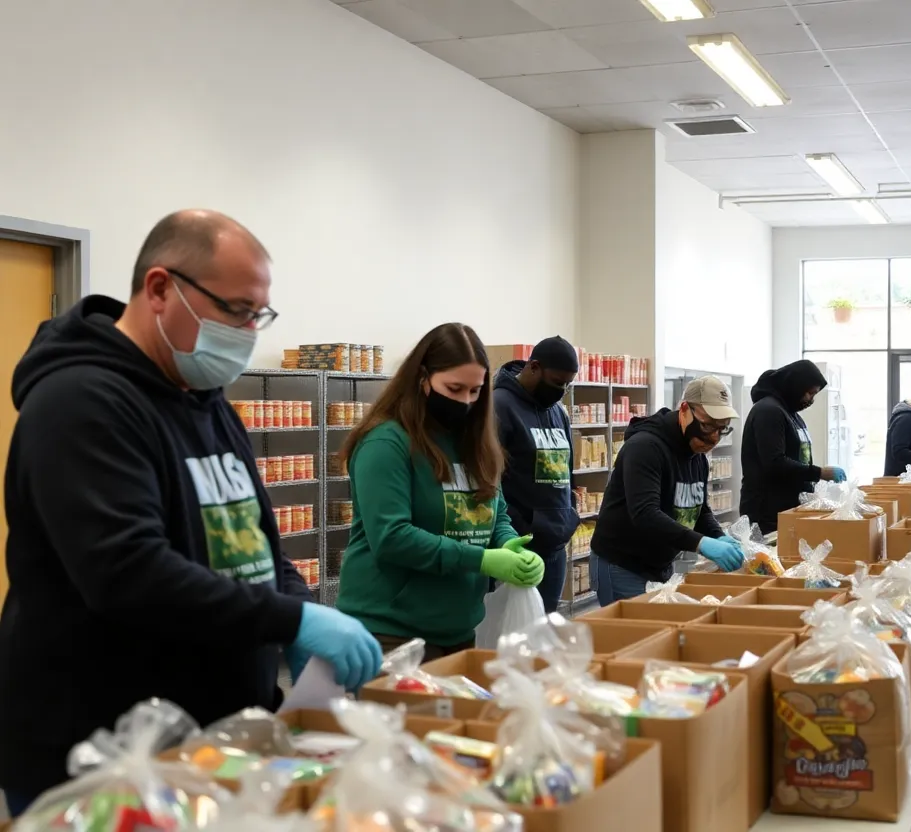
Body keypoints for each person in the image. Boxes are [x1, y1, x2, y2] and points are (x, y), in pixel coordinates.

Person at [0, 210, 382, 815]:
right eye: (236, 309)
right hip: (101, 754)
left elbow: (257, 537)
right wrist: (287, 619)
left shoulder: (203, 399)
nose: (248, 329)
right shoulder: (79, 402)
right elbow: (128, 572)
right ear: (159, 289)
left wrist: (298, 605)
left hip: (209, 741)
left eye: (259, 313)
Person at [336, 323, 543, 660]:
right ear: (422, 379)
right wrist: (484, 560)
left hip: (459, 628)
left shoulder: (475, 442)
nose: (465, 401)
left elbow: (496, 511)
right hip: (392, 632)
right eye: (454, 388)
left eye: (475, 391)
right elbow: (392, 537)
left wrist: (508, 545)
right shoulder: (386, 443)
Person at [590, 376, 746, 604]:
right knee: (634, 637)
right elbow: (645, 513)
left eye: (721, 429)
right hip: (622, 564)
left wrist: (718, 536)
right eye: (706, 425)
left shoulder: (697, 456)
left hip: (659, 566)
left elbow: (698, 509)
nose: (713, 437)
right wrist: (701, 543)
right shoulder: (645, 448)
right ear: (684, 410)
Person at [493, 337, 581, 613]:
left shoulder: (559, 413)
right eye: (557, 382)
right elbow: (489, 479)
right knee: (514, 635)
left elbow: (566, 471)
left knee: (544, 631)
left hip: (556, 547)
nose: (562, 390)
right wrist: (521, 526)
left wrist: (570, 514)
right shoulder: (499, 406)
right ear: (534, 367)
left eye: (568, 385)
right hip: (519, 545)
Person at [740, 359, 848, 534]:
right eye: (809, 394)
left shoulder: (790, 414)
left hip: (788, 508)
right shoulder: (768, 411)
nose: (810, 400)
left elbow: (797, 456)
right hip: (767, 513)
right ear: (796, 386)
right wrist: (819, 473)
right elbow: (774, 462)